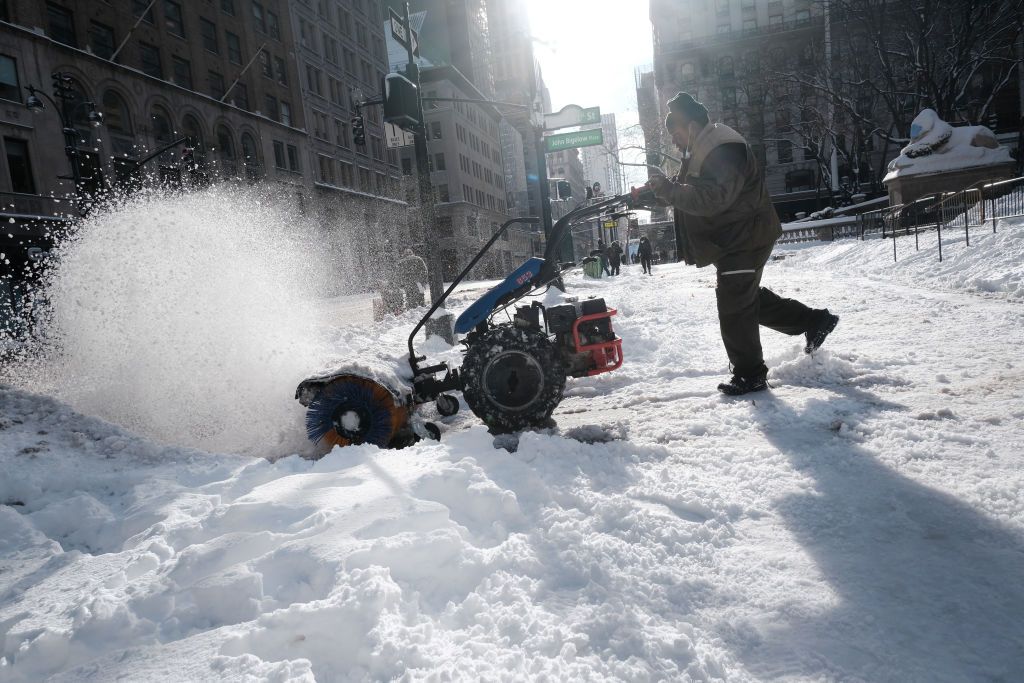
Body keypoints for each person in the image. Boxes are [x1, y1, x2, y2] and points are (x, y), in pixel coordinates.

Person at [647, 92, 839, 396]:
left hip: (745, 236)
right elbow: (689, 190)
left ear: (693, 126)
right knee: (744, 298)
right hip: (737, 236)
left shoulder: (721, 147)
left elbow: (714, 197)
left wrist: (670, 190)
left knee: (735, 302)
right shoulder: (702, 147)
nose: (674, 141)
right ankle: (815, 320)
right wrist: (659, 191)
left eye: (677, 133)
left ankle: (750, 374)